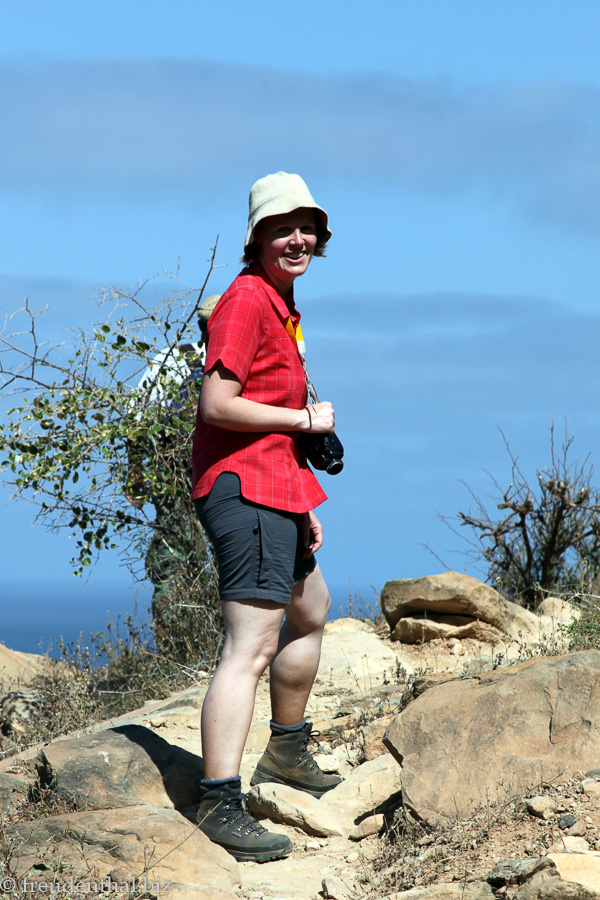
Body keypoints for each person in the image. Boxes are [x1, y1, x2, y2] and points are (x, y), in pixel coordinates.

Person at [192, 172, 342, 862]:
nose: (298, 239)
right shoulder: (248, 299)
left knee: (310, 610)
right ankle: (218, 801)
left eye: (306, 227)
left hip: (278, 487)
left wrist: (302, 499)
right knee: (249, 648)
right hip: (246, 490)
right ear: (257, 238)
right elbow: (217, 406)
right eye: (282, 229)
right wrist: (305, 420)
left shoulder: (280, 303)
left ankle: (285, 751)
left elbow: (266, 415)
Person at [126, 295, 221, 653]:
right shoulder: (178, 360)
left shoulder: (173, 359)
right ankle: (184, 652)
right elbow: (137, 420)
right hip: (191, 480)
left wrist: (136, 472)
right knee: (183, 561)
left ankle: (197, 651)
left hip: (195, 479)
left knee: (184, 559)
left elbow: (136, 419)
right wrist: (136, 473)